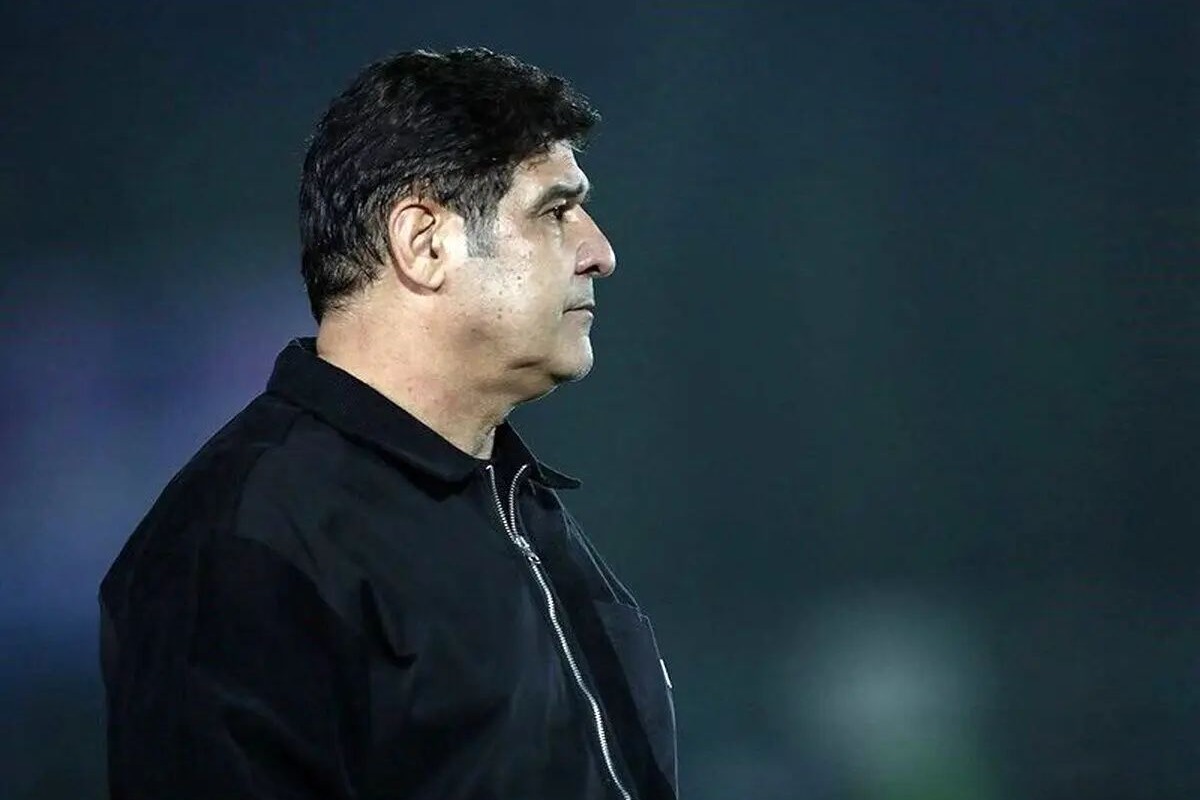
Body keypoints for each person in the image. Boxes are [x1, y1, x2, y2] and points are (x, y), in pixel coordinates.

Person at [99, 47, 677, 800]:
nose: (600, 253)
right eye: (554, 210)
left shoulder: (519, 509)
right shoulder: (244, 541)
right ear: (424, 242)